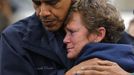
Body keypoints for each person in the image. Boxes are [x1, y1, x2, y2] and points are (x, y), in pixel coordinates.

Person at [0, 0, 134, 75]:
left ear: (99, 34)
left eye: (52, 2)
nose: (43, 12)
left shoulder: (105, 26)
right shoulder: (14, 40)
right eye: (37, 3)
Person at [63, 0, 134, 74]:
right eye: (65, 33)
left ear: (99, 34)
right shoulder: (128, 57)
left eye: (72, 32)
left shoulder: (91, 69)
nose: (65, 40)